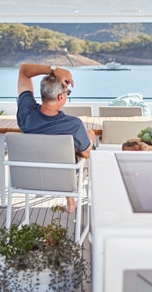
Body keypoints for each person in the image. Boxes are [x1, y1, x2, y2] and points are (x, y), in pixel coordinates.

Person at [17, 63, 94, 213]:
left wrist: (53, 70)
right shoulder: (73, 125)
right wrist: (89, 135)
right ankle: (70, 197)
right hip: (62, 179)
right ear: (60, 97)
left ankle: (69, 199)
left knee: (64, 150)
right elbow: (87, 153)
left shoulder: (25, 114)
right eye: (67, 94)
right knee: (80, 147)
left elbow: (24, 71)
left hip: (30, 178)